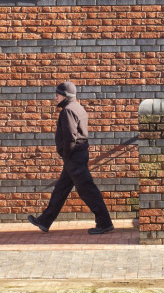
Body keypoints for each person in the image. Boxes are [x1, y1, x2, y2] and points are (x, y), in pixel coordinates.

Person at [28, 81, 115, 234]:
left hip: (74, 157)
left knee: (87, 190)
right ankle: (45, 221)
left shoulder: (67, 110)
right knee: (61, 189)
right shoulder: (78, 107)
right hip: (77, 155)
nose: (56, 98)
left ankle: (104, 223)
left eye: (57, 95)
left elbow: (70, 138)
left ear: (65, 95)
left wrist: (65, 154)